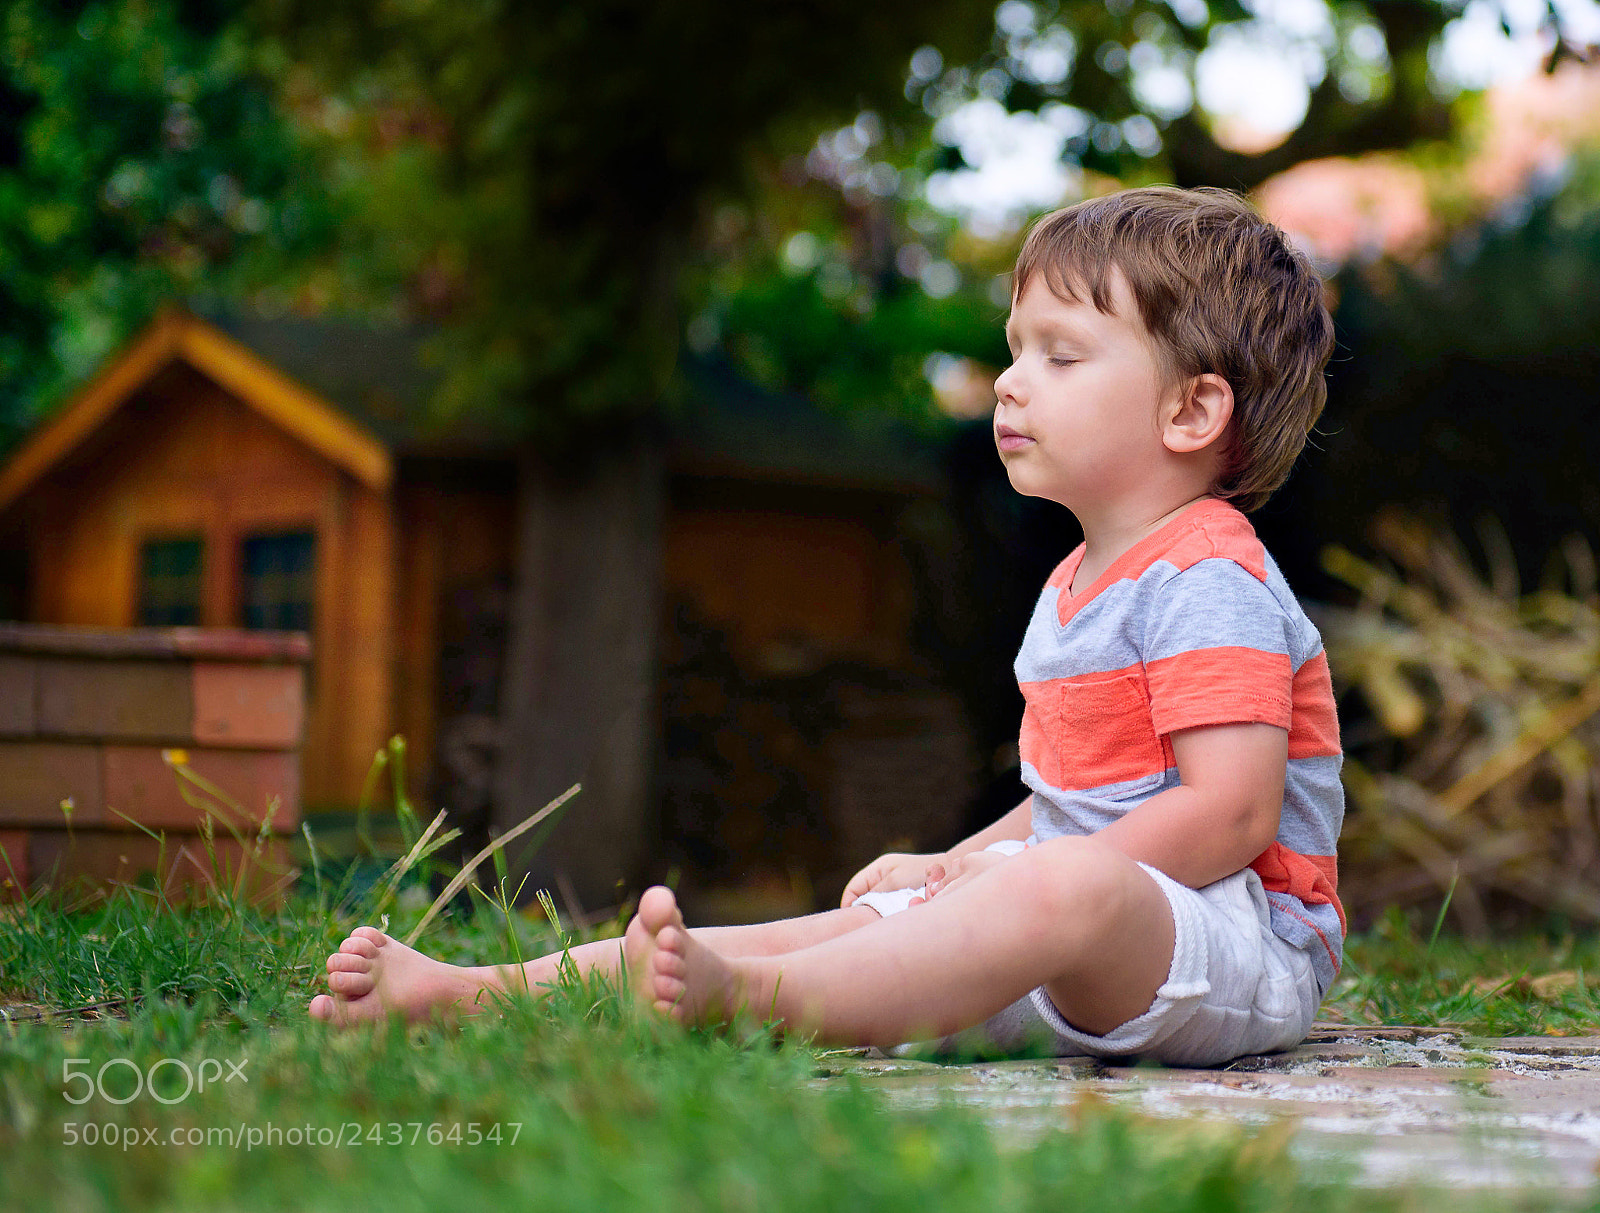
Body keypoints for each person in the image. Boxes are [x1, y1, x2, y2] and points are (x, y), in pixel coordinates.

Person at [309, 186, 1344, 1067]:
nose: (1008, 380)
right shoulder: (1080, 581)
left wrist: (1011, 876)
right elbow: (1069, 806)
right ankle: (470, 990)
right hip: (1081, 931)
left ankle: (747, 1008)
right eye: (1013, 349)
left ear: (1192, 413)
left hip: (1235, 942)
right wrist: (951, 865)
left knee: (1058, 885)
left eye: (1061, 356)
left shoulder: (1208, 572)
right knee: (821, 925)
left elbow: (1228, 816)